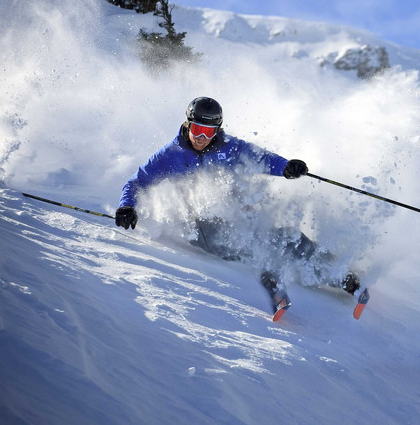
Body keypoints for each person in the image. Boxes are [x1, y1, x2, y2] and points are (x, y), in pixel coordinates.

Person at [115, 97, 360, 297]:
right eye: (198, 129)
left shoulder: (229, 147)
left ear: (217, 131)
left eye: (208, 132)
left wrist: (286, 167)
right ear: (188, 124)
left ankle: (339, 275)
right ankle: (265, 267)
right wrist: (127, 206)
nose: (201, 137)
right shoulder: (170, 155)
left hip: (237, 216)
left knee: (288, 238)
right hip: (200, 227)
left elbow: (261, 158)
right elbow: (138, 181)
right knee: (229, 236)